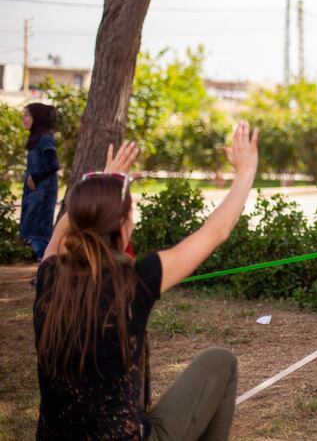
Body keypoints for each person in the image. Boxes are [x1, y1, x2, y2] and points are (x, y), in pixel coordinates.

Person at [34, 122, 259, 440]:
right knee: (220, 362)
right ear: (123, 225)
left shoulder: (49, 276)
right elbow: (216, 232)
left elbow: (61, 234)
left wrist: (102, 185)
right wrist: (246, 170)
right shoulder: (133, 282)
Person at [20, 103, 60, 260]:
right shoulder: (37, 138)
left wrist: (34, 177)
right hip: (35, 192)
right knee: (34, 234)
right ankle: (46, 270)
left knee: (37, 235)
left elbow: (54, 164)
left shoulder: (45, 139)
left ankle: (50, 269)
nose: (23, 118)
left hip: (43, 194)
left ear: (37, 118)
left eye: (27, 115)